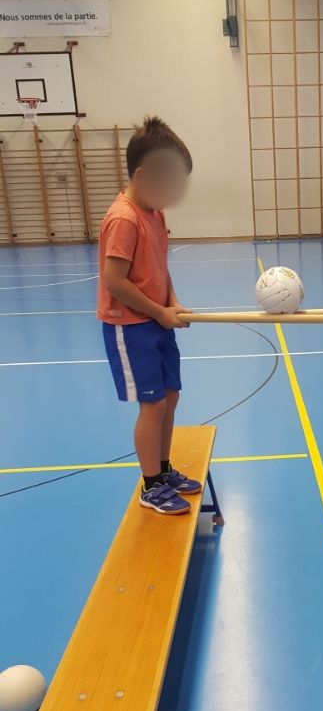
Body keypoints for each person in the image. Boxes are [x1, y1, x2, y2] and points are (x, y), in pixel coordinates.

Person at [97, 116, 200, 515]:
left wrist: (171, 302)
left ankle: (164, 469)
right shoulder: (124, 218)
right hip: (130, 325)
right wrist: (159, 311)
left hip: (155, 319)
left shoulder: (155, 213)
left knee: (170, 397)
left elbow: (160, 265)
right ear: (142, 175)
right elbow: (115, 282)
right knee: (153, 406)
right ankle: (150, 484)